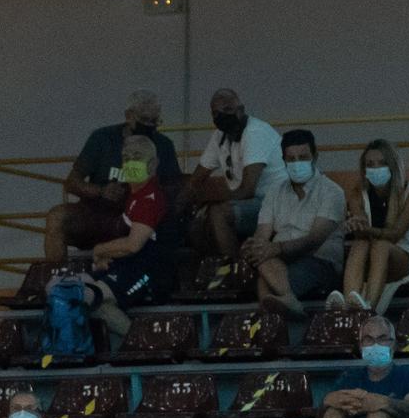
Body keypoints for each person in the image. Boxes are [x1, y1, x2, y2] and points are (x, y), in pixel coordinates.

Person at [43, 89, 182, 265]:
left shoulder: (164, 145)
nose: (149, 126)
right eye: (144, 120)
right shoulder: (102, 139)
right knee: (57, 217)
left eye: (154, 121)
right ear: (129, 116)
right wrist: (101, 191)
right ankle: (57, 277)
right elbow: (72, 183)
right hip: (98, 213)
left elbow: (174, 188)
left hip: (139, 217)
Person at [72, 133, 178, 337]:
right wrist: (106, 257)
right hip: (131, 266)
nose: (130, 162)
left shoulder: (150, 198)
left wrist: (100, 250)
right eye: (126, 157)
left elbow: (133, 245)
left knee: (94, 299)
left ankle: (141, 347)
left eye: (137, 157)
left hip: (152, 273)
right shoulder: (133, 195)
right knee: (80, 294)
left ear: (153, 164)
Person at [244, 129, 345, 316]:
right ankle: (287, 301)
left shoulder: (332, 192)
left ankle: (270, 314)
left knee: (264, 276)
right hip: (282, 260)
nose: (297, 163)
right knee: (260, 254)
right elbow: (262, 234)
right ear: (283, 160)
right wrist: (255, 246)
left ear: (315, 157)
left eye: (303, 157)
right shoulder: (274, 192)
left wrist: (276, 248)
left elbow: (314, 240)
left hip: (320, 262)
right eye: (291, 159)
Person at [179, 88, 286, 256]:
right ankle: (212, 269)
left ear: (241, 110)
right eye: (216, 113)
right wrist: (175, 209)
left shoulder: (255, 133)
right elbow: (195, 180)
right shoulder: (219, 136)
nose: (221, 116)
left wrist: (210, 202)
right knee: (197, 222)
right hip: (250, 203)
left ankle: (234, 270)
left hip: (274, 203)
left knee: (218, 214)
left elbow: (248, 189)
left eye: (227, 110)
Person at [335, 138, 409, 313]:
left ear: (393, 165)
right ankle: (349, 307)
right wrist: (354, 226)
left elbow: (395, 234)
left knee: (381, 246)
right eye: (370, 164)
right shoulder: (358, 194)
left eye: (381, 163)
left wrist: (367, 229)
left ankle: (368, 308)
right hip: (372, 257)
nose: (375, 168)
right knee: (360, 244)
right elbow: (362, 233)